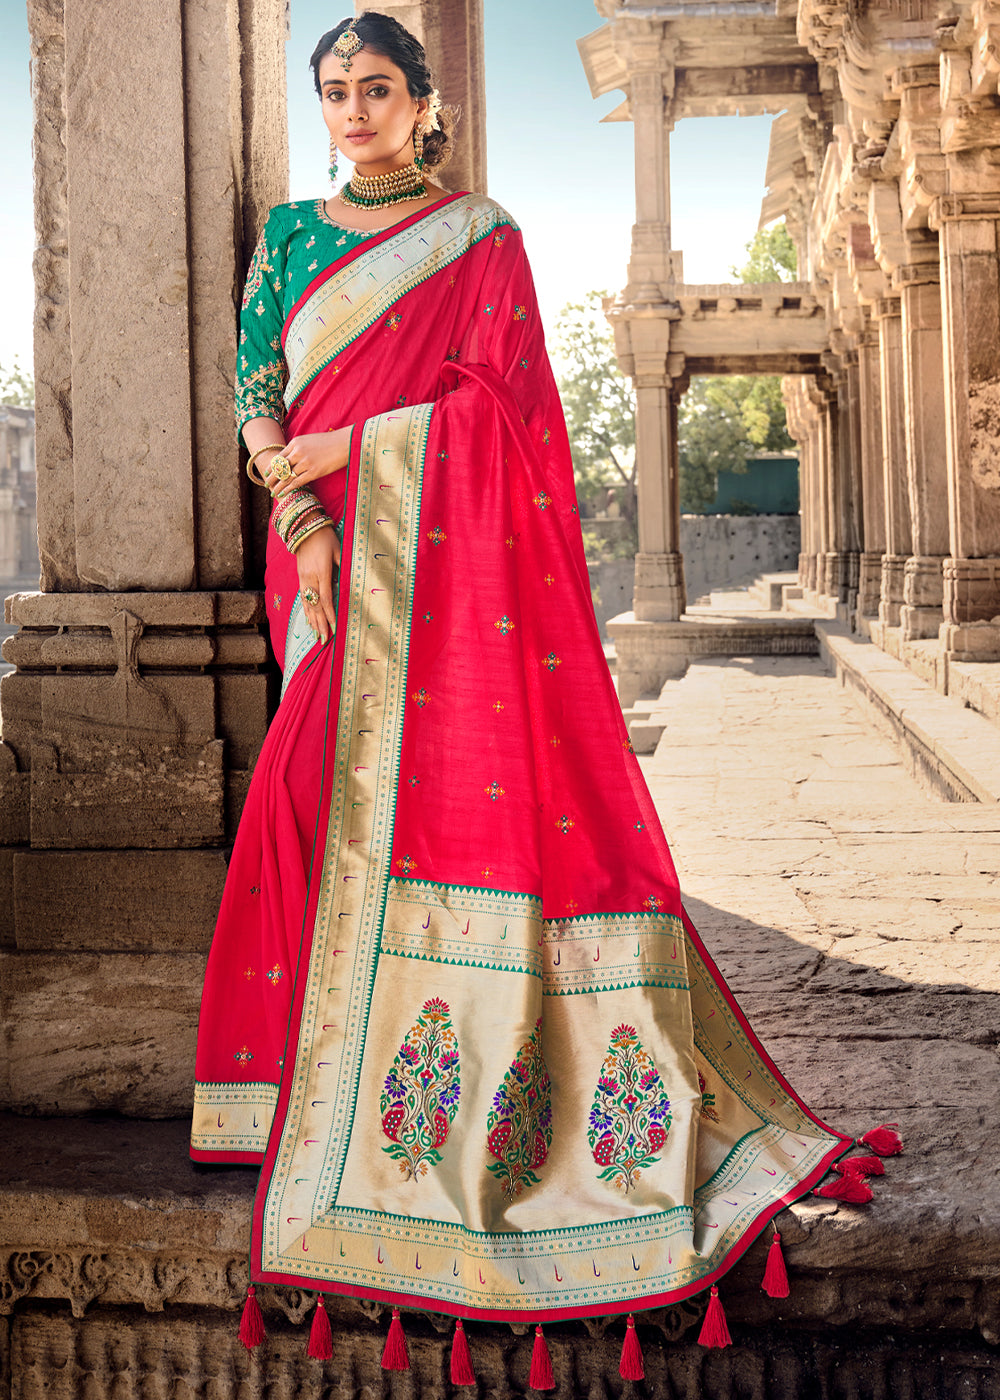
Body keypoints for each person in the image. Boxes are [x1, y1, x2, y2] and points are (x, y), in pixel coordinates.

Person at [191, 10, 875, 1375]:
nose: (354, 115)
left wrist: (335, 450)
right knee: (306, 793)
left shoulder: (481, 241)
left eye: (378, 91)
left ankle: (409, 1105)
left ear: (425, 103)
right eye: (333, 94)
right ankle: (288, 1094)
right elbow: (253, 367)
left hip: (422, 561)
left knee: (361, 789)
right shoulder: (292, 231)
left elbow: (504, 425)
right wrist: (286, 474)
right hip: (320, 554)